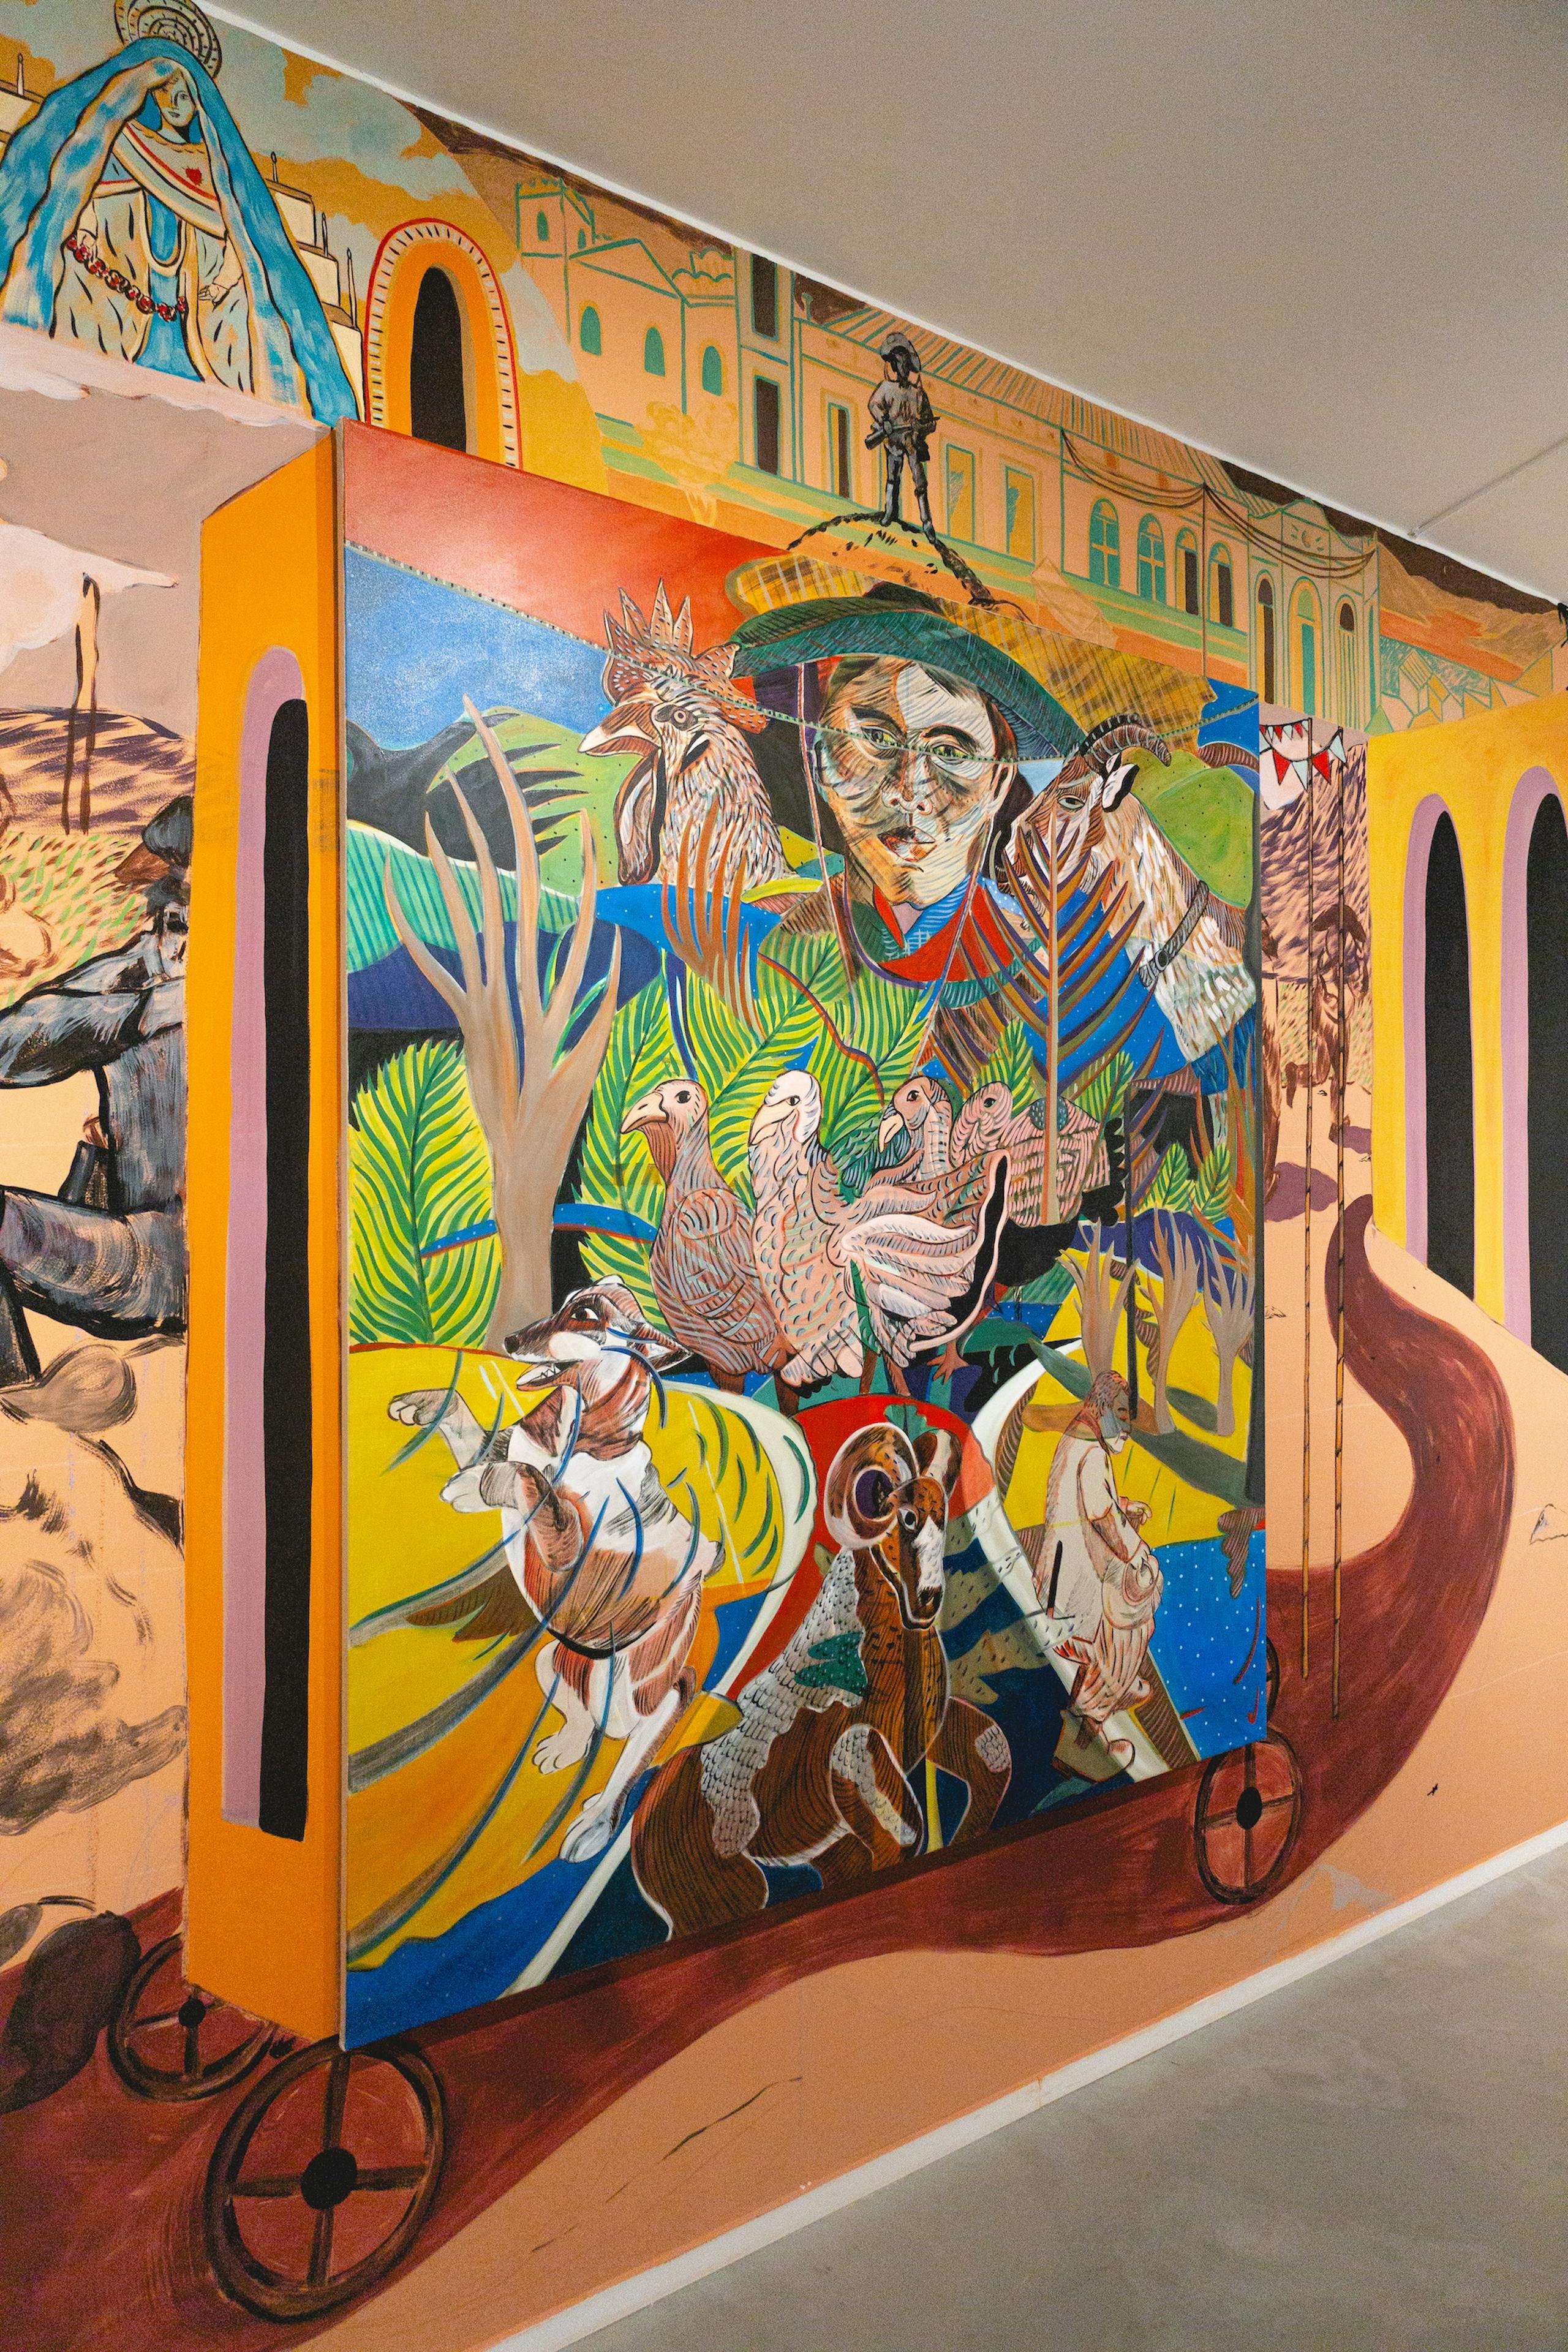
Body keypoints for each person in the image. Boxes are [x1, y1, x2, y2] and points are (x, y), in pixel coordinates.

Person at [0, 17, 356, 419]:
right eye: (167, 94)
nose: (175, 105)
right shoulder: (127, 142)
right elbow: (87, 190)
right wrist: (89, 231)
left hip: (192, 308)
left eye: (185, 97)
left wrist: (222, 282)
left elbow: (235, 240)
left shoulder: (211, 167)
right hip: (123, 292)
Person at [0, 796, 190, 1384]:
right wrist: (138, 1013)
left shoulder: (189, 995)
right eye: (171, 918)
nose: (168, 937)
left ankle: (17, 1402)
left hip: (167, 1269)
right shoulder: (146, 974)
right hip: (134, 1251)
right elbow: (13, 1043)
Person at [1036, 1370, 1162, 1768]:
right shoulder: (1091, 1451)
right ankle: (1080, 1743)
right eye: (1121, 1414)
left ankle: (1115, 1687)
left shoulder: (1082, 1438)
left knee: (1133, 1615)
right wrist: (1137, 1551)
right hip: (1078, 1586)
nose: (1127, 1426)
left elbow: (1094, 1503)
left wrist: (1123, 1507)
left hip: (1069, 1573)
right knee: (1129, 1629)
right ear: (1102, 1407)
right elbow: (1101, 1514)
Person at [865, 332, 939, 536]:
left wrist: (921, 428)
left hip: (912, 443)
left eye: (905, 364)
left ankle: (927, 522)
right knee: (893, 477)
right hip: (893, 441)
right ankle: (890, 512)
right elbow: (874, 405)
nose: (902, 369)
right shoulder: (886, 388)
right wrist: (884, 421)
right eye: (899, 364)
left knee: (920, 482)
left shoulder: (918, 394)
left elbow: (931, 423)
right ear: (894, 366)